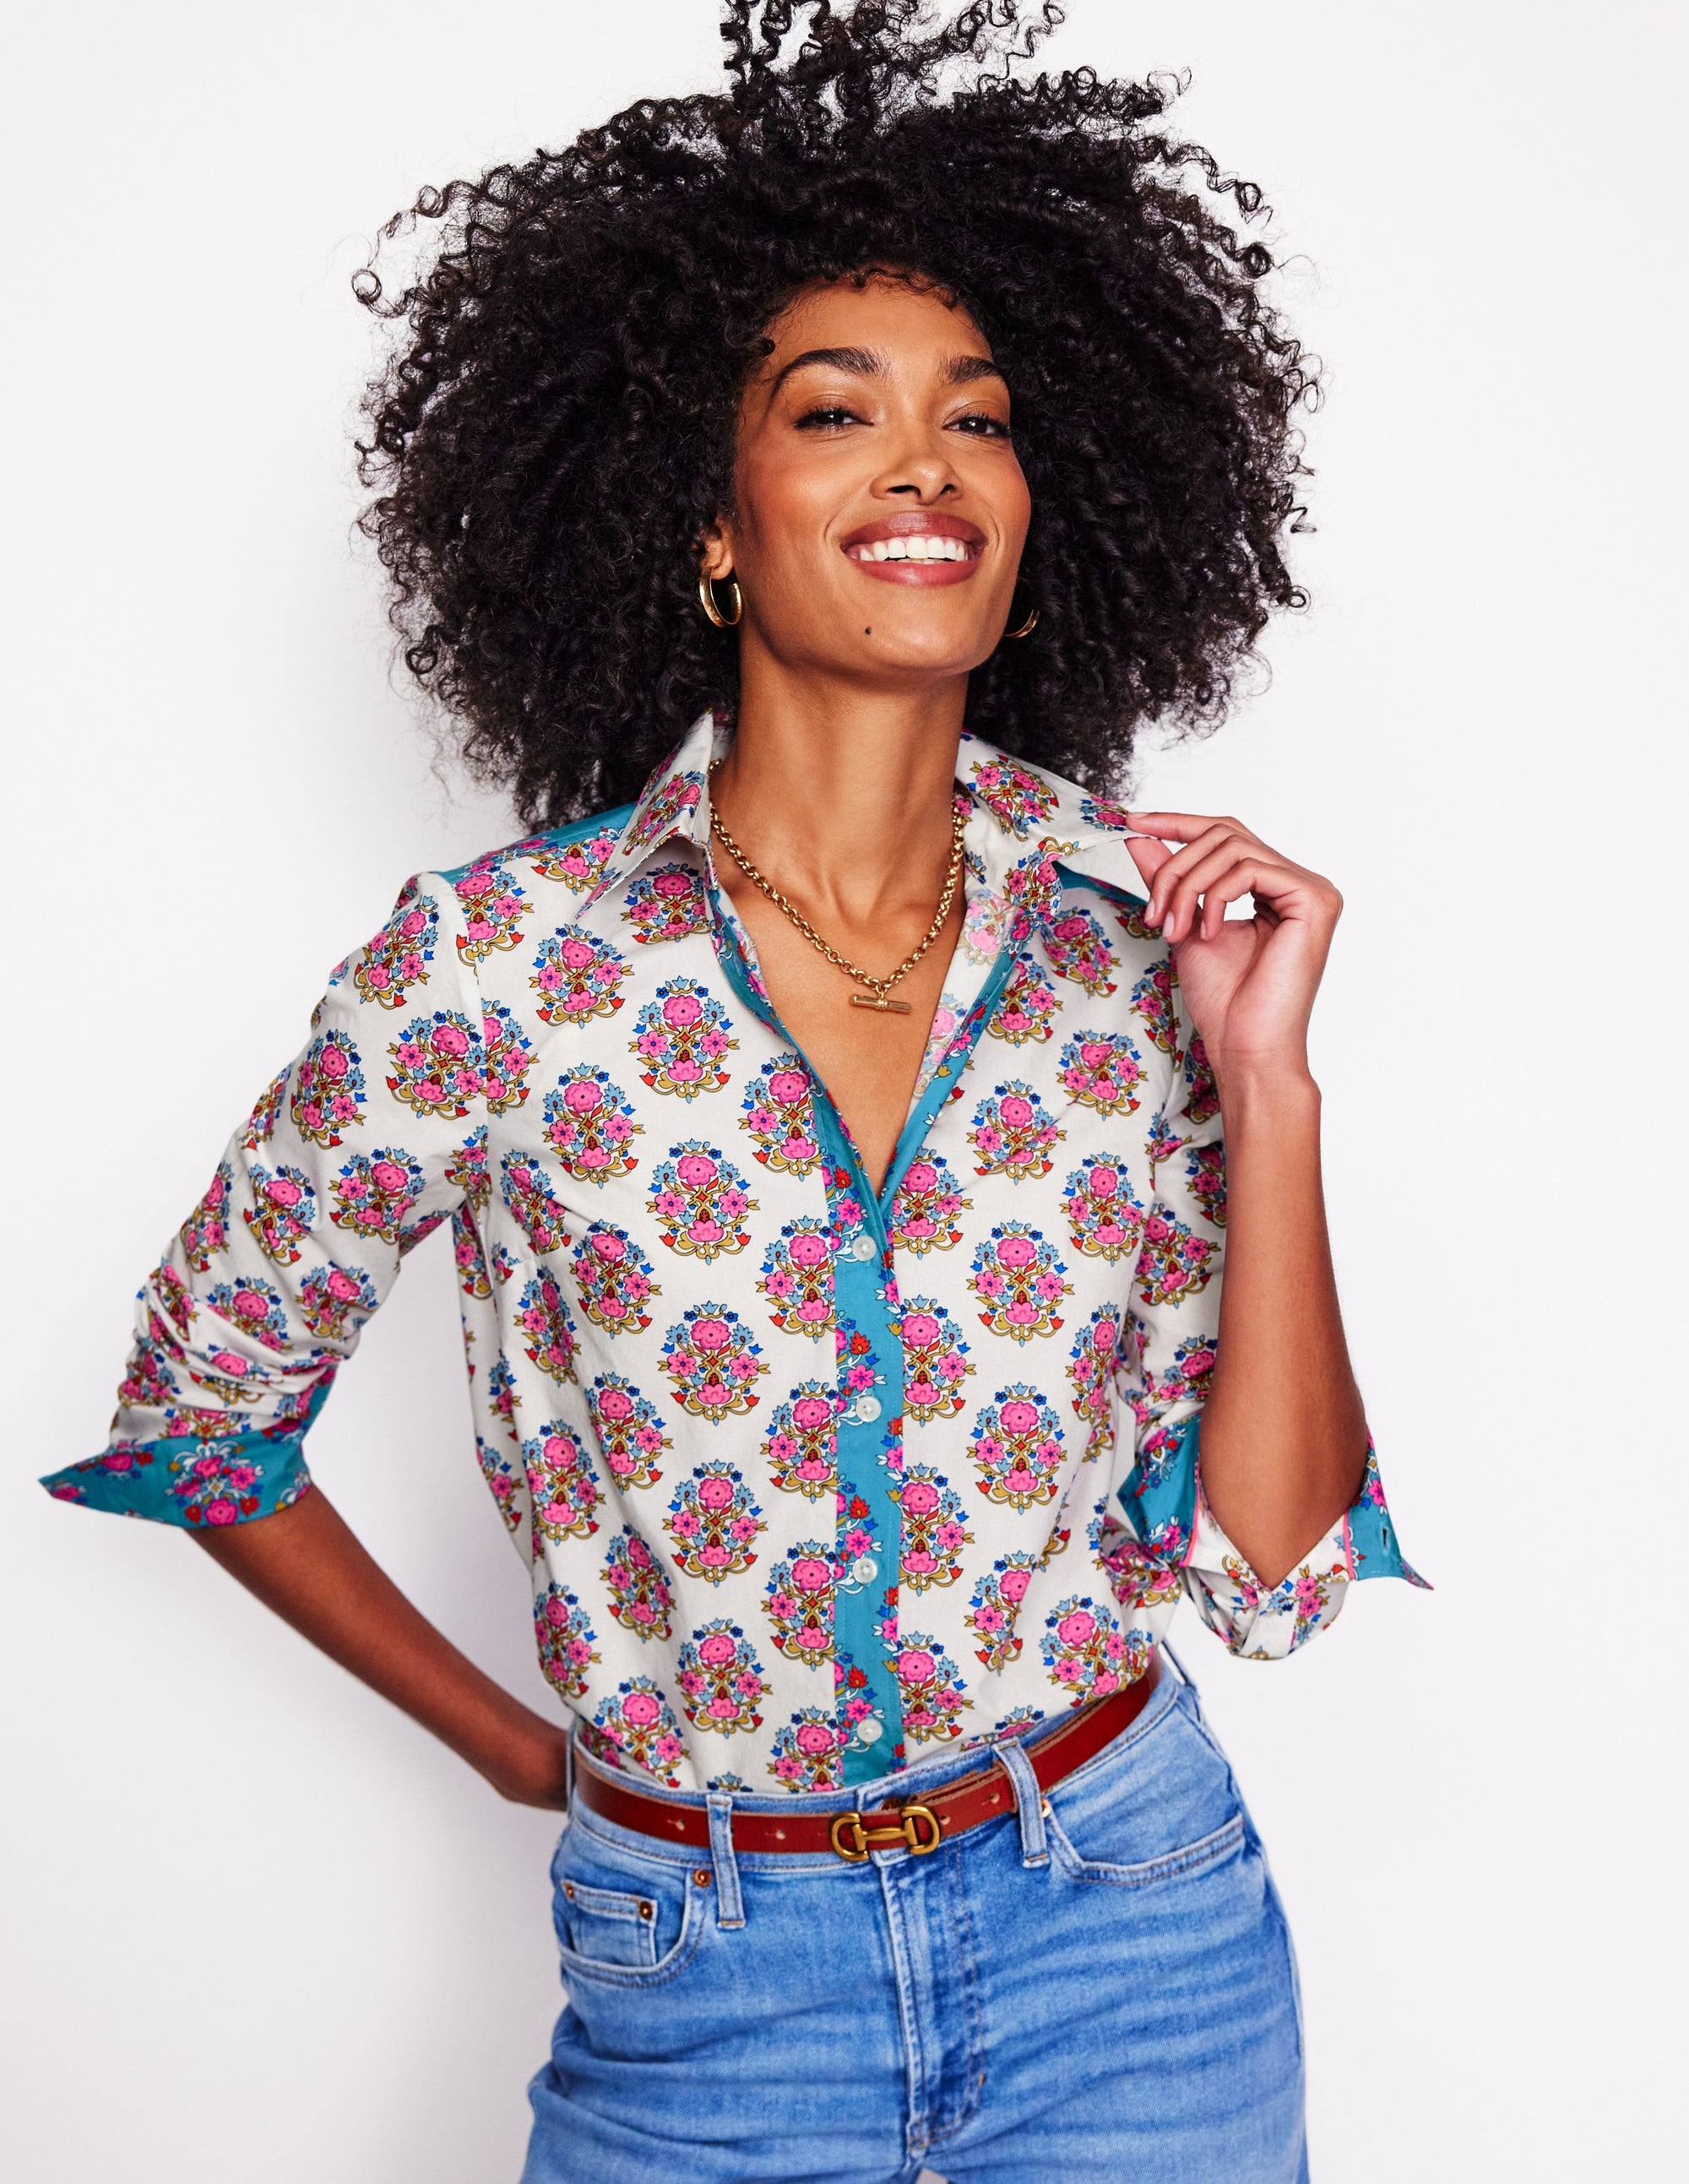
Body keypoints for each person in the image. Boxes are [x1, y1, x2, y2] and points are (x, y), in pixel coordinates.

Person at [42, 4, 1425, 2176]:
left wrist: (1271, 1089)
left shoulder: (1123, 952)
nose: (927, 462)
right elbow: (198, 1422)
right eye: (836, 407)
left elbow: (1266, 1567)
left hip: (1131, 1935)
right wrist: (521, 1753)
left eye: (977, 418)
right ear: (707, 524)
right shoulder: (493, 971)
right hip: (702, 1981)